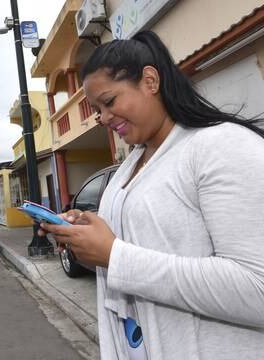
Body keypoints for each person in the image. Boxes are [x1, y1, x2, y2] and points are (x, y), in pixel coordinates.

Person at [40, 30, 264, 359]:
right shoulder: (130, 166)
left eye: (109, 101)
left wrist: (114, 256)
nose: (103, 117)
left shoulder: (222, 146)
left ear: (149, 80)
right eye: (97, 109)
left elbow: (256, 288)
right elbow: (148, 237)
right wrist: (86, 231)